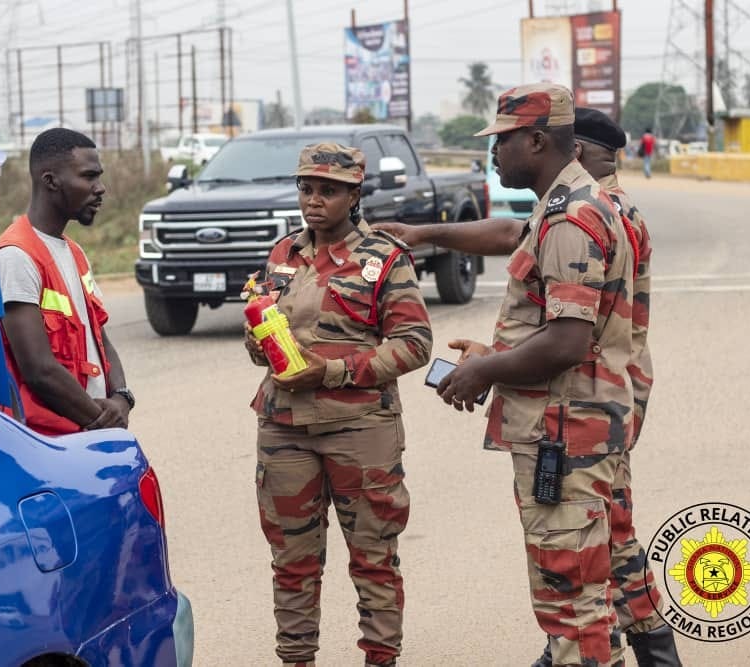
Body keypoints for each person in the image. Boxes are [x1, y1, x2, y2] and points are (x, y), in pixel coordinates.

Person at [373, 103, 682, 666]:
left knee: (572, 596)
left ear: (540, 142)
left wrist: (484, 369)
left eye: (504, 140)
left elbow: (567, 342)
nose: (494, 151)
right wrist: (425, 236)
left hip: (567, 427)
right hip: (583, 418)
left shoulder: (574, 217)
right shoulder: (571, 208)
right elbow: (528, 263)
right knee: (593, 572)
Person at [246, 143, 432, 667]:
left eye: (328, 190)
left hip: (359, 429)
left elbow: (415, 343)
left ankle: (380, 658)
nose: (314, 199)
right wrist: (257, 340)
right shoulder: (283, 254)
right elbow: (263, 321)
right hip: (283, 428)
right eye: (307, 188)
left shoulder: (384, 258)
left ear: (354, 195)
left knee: (373, 557)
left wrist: (331, 370)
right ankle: (296, 659)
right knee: (292, 561)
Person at [0, 127, 134, 436]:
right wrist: (100, 421)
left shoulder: (74, 252)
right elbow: (39, 370)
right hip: (53, 441)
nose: (101, 188)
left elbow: (102, 341)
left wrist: (122, 399)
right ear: (50, 181)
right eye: (88, 177)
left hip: (92, 431)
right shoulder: (17, 255)